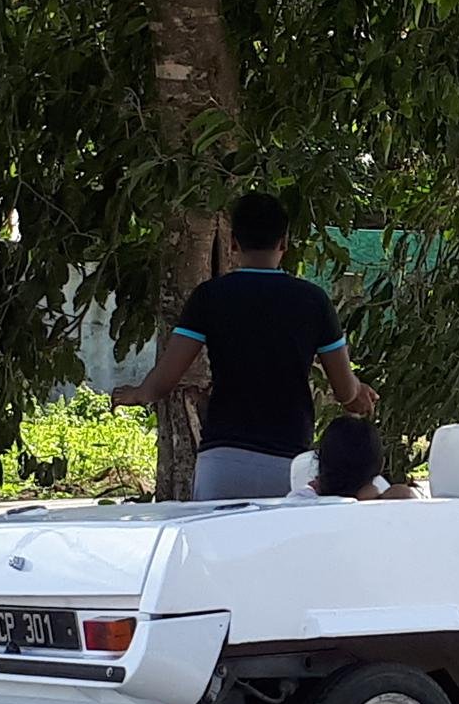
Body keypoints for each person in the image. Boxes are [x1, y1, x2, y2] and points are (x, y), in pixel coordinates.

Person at [112, 193, 377, 500]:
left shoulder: (209, 297)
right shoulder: (313, 300)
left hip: (222, 460)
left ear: (233, 242)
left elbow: (164, 380)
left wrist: (136, 393)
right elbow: (345, 392)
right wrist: (359, 394)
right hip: (287, 462)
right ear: (284, 243)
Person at [290, 416, 417, 501]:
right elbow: (406, 497)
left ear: (320, 464)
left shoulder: (300, 501)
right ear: (381, 465)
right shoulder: (391, 505)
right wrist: (377, 498)